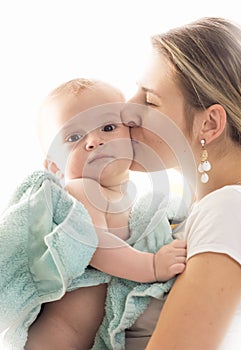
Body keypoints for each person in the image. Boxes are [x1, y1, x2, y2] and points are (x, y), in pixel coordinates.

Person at [23, 78, 187, 349]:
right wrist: (152, 265)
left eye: (108, 127)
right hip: (55, 337)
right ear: (54, 167)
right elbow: (96, 243)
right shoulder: (81, 190)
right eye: (74, 137)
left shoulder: (131, 200)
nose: (94, 141)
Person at [121, 16, 241, 350]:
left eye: (149, 100)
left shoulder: (227, 209)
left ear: (209, 123)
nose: (124, 110)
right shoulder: (190, 213)